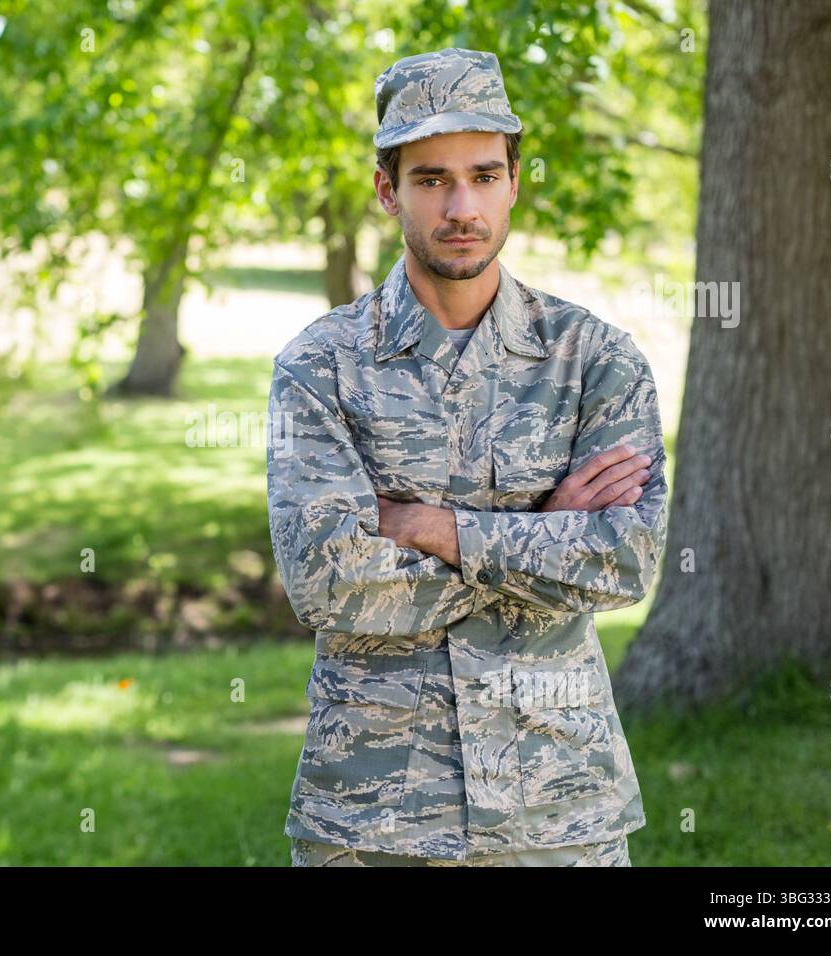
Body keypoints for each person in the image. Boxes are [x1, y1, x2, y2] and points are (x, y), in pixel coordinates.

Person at [266, 47, 668, 867]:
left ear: (515, 182)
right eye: (431, 179)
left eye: (484, 176)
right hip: (374, 817)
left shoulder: (596, 361)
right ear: (388, 190)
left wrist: (431, 528)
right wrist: (541, 535)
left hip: (560, 809)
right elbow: (328, 582)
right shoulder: (319, 367)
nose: (461, 206)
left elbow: (625, 561)